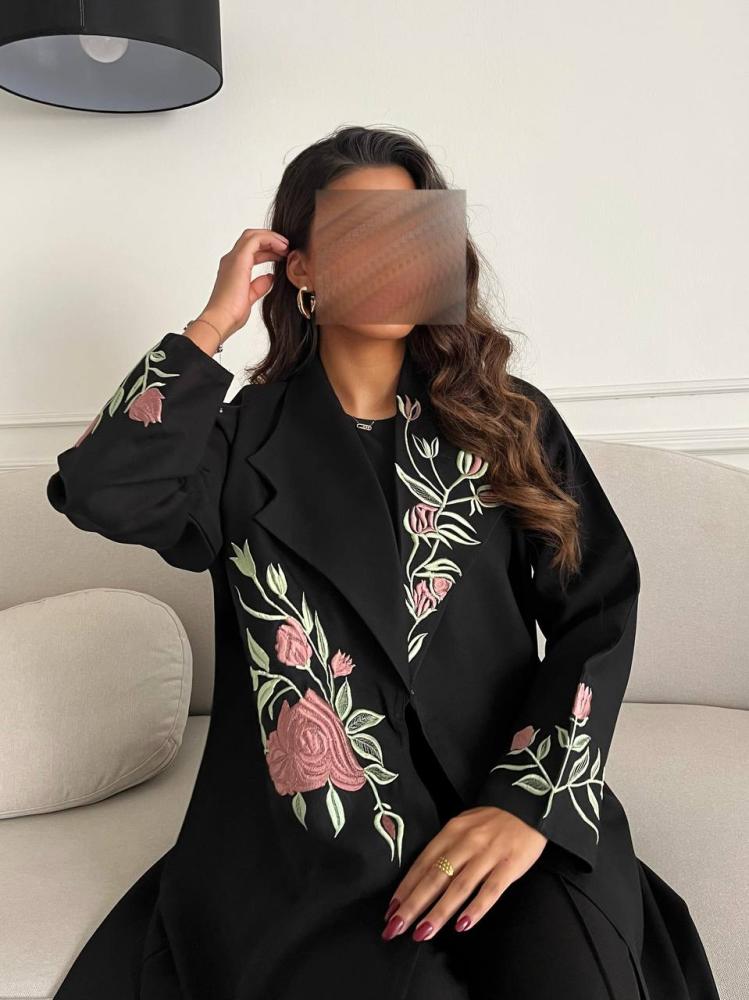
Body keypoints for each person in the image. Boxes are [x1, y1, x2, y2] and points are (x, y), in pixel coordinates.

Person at [46, 125, 720, 1000]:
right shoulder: (235, 443)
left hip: (508, 810)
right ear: (301, 267)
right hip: (320, 850)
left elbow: (598, 606)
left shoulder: (506, 422)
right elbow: (102, 491)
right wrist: (213, 324)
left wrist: (529, 804)